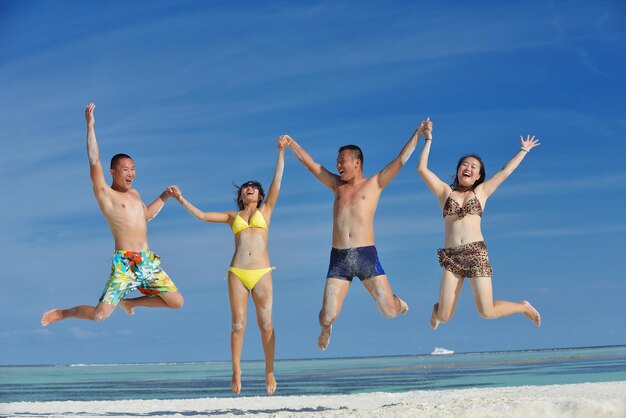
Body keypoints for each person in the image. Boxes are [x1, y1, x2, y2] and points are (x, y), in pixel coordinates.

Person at [281, 120, 428, 351]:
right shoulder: (336, 185)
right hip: (339, 259)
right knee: (327, 315)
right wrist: (292, 144)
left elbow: (400, 160)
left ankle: (398, 303)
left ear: (356, 163)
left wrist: (418, 134)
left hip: (365, 255)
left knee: (389, 312)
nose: (338, 164)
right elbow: (312, 165)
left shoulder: (375, 183)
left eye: (342, 161)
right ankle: (326, 330)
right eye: (337, 161)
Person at [41, 103, 184, 327]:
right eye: (125, 169)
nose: (131, 173)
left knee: (176, 302)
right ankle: (63, 313)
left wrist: (165, 196)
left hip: (147, 261)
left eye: (133, 168)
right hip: (125, 263)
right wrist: (90, 126)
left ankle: (131, 303)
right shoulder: (106, 195)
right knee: (100, 315)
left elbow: (145, 215)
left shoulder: (135, 194)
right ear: (113, 172)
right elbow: (94, 160)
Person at [170, 137, 286, 396]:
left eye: (254, 187)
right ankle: (236, 370)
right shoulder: (232, 216)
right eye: (246, 187)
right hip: (237, 272)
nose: (250, 188)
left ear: (260, 194)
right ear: (240, 194)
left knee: (266, 324)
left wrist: (281, 152)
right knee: (238, 325)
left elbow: (277, 180)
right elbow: (201, 215)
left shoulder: (266, 211)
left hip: (263, 272)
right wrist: (180, 198)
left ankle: (269, 370)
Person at [416, 119, 541, 330]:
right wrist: (428, 139)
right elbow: (422, 169)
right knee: (445, 317)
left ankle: (523, 307)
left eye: (474, 167)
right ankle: (437, 309)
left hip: (476, 254)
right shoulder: (445, 193)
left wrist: (523, 150)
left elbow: (505, 172)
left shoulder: (481, 193)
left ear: (478, 177)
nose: (468, 168)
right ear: (458, 171)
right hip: (452, 255)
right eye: (465, 164)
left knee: (487, 312)